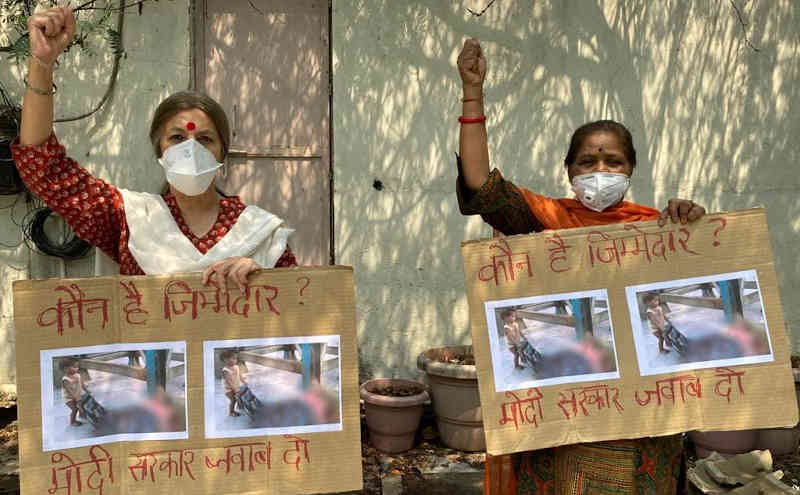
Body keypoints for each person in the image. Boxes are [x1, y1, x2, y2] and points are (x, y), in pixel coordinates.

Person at [456, 38, 707, 494]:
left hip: (642, 422)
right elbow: (479, 185)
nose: (600, 169)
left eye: (613, 162)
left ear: (630, 170)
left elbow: (694, 304)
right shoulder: (542, 220)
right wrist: (472, 93)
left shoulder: (656, 231)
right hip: (561, 417)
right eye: (588, 161)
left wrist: (696, 228)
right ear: (570, 170)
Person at [11, 6, 296, 290]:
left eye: (206, 139)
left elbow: (301, 305)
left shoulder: (259, 232)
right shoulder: (130, 220)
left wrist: (264, 277)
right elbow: (44, 168)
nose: (191, 149)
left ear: (223, 152)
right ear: (159, 150)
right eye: (177, 138)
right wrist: (41, 64)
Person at [59, 357, 85, 427]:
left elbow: (81, 383)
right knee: (75, 408)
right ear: (66, 369)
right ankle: (72, 422)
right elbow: (70, 391)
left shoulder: (77, 375)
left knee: (81, 405)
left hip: (77, 394)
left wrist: (86, 390)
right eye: (74, 367)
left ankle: (82, 415)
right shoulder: (65, 379)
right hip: (69, 398)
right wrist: (76, 398)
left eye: (77, 367)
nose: (77, 368)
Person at [220, 350, 246, 417]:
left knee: (239, 396)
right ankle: (231, 412)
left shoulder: (236, 367)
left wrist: (243, 381)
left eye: (236, 358)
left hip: (236, 385)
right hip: (228, 389)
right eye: (233, 358)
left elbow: (239, 375)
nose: (235, 360)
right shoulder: (225, 371)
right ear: (226, 360)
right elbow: (229, 382)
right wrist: (235, 389)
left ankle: (239, 406)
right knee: (233, 399)